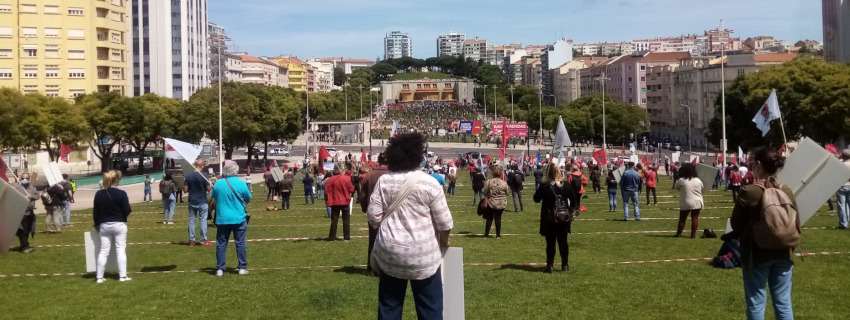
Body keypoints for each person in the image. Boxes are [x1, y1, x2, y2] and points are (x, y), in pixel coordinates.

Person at [366, 132, 453, 319]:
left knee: (389, 307)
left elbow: (373, 217)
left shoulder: (384, 181)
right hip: (424, 256)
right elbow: (444, 222)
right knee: (430, 308)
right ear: (418, 156)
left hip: (390, 254)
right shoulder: (430, 183)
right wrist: (444, 242)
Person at [729, 147, 798, 320]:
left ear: (758, 164)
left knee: (756, 302)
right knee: (783, 302)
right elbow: (795, 220)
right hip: (784, 251)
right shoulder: (786, 190)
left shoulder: (749, 191)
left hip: (756, 253)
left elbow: (735, 223)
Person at [533, 162, 579, 273]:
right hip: (563, 218)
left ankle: (550, 265)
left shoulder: (545, 186)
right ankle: (565, 265)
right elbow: (574, 202)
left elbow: (536, 199)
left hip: (549, 219)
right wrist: (571, 212)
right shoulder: (566, 185)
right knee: (563, 242)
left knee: (550, 243)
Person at [211, 160, 252, 277]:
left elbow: (213, 197)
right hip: (238, 217)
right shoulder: (241, 183)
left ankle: (220, 268)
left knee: (221, 244)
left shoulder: (218, 183)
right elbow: (247, 198)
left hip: (222, 218)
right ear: (236, 171)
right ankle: (242, 267)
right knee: (240, 243)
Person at [93, 170, 132, 283]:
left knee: (103, 251)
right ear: (116, 180)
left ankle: (99, 277)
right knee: (121, 250)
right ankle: (122, 276)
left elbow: (95, 211)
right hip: (119, 224)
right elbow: (127, 210)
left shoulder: (99, 194)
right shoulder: (121, 193)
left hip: (104, 225)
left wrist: (97, 224)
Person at [360, 152, 388, 277]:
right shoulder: (392, 175)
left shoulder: (369, 175)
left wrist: (365, 208)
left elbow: (362, 195)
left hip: (373, 212)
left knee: (373, 240)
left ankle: (371, 268)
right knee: (389, 240)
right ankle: (386, 268)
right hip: (390, 213)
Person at [184, 159, 212, 246]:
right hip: (202, 200)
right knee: (203, 221)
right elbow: (208, 189)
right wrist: (210, 185)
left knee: (192, 220)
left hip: (192, 200)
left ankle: (191, 240)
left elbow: (185, 190)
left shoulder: (188, 176)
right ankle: (203, 240)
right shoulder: (204, 176)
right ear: (202, 166)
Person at [325, 164, 355, 241]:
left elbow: (326, 191)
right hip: (344, 201)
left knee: (334, 220)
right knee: (346, 220)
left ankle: (332, 237)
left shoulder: (330, 179)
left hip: (334, 202)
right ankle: (346, 237)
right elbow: (352, 189)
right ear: (341, 169)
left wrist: (327, 200)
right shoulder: (346, 179)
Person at [673, 163, 704, 238]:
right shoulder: (698, 180)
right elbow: (702, 188)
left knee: (682, 219)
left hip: (686, 202)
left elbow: (676, 187)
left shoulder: (682, 180)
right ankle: (693, 235)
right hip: (697, 201)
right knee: (695, 218)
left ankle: (679, 234)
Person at [13, 173, 38, 253]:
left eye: (26, 178)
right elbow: (14, 199)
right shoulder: (17, 188)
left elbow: (37, 196)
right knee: (22, 230)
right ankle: (24, 247)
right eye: (23, 178)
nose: (25, 179)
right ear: (20, 179)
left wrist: (32, 196)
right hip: (21, 212)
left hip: (30, 212)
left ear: (29, 179)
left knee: (28, 230)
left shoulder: (32, 187)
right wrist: (24, 197)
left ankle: (25, 245)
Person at [482, 165, 509, 238]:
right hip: (501, 203)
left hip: (492, 202)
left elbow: (484, 191)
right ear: (500, 174)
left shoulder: (489, 181)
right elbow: (507, 193)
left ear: (493, 173)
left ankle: (486, 235)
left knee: (489, 218)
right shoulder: (504, 183)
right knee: (498, 218)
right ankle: (498, 235)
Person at [837, 149, 850, 229]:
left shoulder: (841, 164)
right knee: (848, 205)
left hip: (842, 185)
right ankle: (847, 220)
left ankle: (843, 223)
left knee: (841, 205)